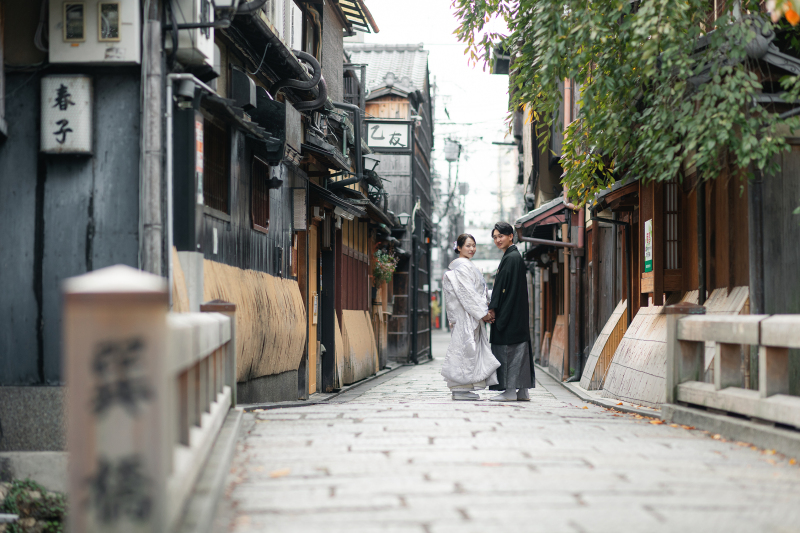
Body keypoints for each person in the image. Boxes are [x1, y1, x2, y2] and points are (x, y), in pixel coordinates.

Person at [441, 234, 501, 400]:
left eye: (474, 245)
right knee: (465, 350)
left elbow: (476, 292)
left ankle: (463, 388)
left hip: (469, 315)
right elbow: (467, 293)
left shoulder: (466, 266)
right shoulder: (462, 267)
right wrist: (483, 313)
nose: (472, 249)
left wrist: (488, 306)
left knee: (468, 351)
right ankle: (460, 389)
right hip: (466, 316)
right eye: (468, 246)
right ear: (459, 248)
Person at [487, 222, 535, 401]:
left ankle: (509, 391)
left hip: (509, 314)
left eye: (501, 236)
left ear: (510, 236)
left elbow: (504, 289)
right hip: (517, 314)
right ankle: (522, 391)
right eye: (495, 237)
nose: (497, 240)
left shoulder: (511, 258)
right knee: (521, 351)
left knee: (508, 352)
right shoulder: (513, 256)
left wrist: (495, 310)